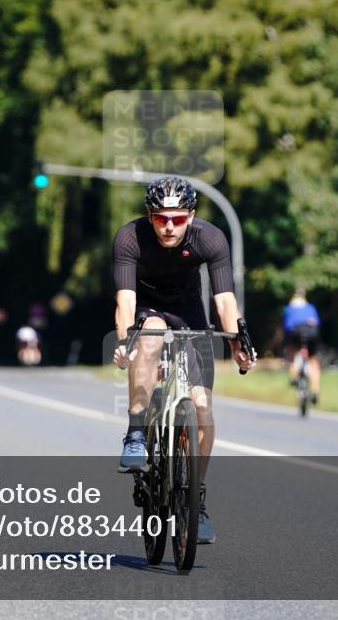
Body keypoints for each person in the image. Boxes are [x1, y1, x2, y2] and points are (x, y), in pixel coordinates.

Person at [112, 176, 256, 545]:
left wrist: (239, 343)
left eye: (177, 218)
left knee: (203, 410)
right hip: (148, 309)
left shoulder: (210, 238)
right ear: (150, 215)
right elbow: (125, 300)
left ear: (191, 215)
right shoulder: (130, 238)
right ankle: (136, 432)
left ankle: (195, 500)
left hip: (191, 314)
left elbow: (225, 301)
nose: (169, 226)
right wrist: (126, 339)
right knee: (150, 336)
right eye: (161, 219)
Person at [282, 289, 321, 403]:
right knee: (313, 361)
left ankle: (293, 377)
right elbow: (318, 323)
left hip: (296, 334)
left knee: (291, 351)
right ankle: (315, 391)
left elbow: (285, 327)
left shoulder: (288, 309)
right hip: (312, 333)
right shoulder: (311, 307)